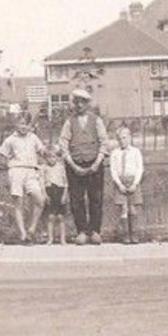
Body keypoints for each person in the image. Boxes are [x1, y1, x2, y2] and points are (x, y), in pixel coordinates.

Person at [57, 88, 109, 244]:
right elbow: (63, 144)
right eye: (76, 102)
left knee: (96, 198)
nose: (79, 105)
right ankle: (82, 231)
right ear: (74, 104)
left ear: (87, 104)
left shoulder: (96, 120)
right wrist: (73, 165)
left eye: (82, 102)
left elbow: (104, 142)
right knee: (76, 199)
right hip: (75, 166)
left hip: (94, 164)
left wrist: (97, 162)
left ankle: (95, 231)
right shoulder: (69, 122)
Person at [0, 112, 48, 243]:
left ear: (30, 125)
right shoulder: (10, 140)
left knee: (40, 200)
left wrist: (47, 152)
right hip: (16, 170)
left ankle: (31, 229)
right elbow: (1, 156)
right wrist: (9, 166)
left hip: (31, 170)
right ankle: (23, 234)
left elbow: (42, 151)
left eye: (26, 124)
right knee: (18, 203)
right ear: (16, 124)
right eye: (21, 123)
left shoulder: (34, 138)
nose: (23, 127)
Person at [107, 124, 146, 244]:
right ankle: (125, 235)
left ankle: (134, 234)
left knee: (133, 209)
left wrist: (135, 183)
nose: (122, 141)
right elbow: (113, 170)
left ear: (129, 138)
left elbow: (140, 168)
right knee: (123, 209)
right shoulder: (115, 153)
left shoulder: (135, 152)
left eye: (124, 138)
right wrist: (119, 184)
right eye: (119, 139)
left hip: (133, 181)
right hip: (120, 182)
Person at [42, 146, 69, 245]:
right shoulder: (44, 168)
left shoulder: (61, 167)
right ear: (45, 158)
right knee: (51, 217)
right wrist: (45, 195)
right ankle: (50, 239)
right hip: (49, 191)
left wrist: (64, 195)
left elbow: (66, 183)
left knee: (61, 217)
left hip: (60, 191)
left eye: (54, 157)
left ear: (57, 157)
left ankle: (62, 239)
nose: (51, 159)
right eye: (49, 157)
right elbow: (42, 182)